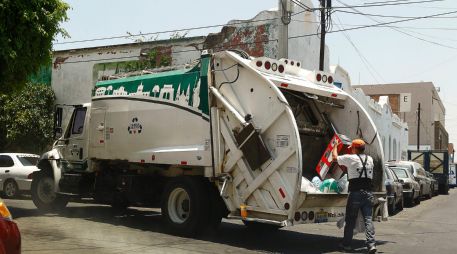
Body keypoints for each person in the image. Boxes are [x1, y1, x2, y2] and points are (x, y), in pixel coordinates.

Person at [332, 138, 377, 254]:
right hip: (368, 193)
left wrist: (335, 146)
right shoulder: (370, 159)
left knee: (351, 220)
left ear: (355, 148)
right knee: (368, 219)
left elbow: (334, 157)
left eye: (352, 148)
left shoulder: (351, 158)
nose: (351, 150)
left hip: (355, 193)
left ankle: (346, 245)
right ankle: (371, 245)